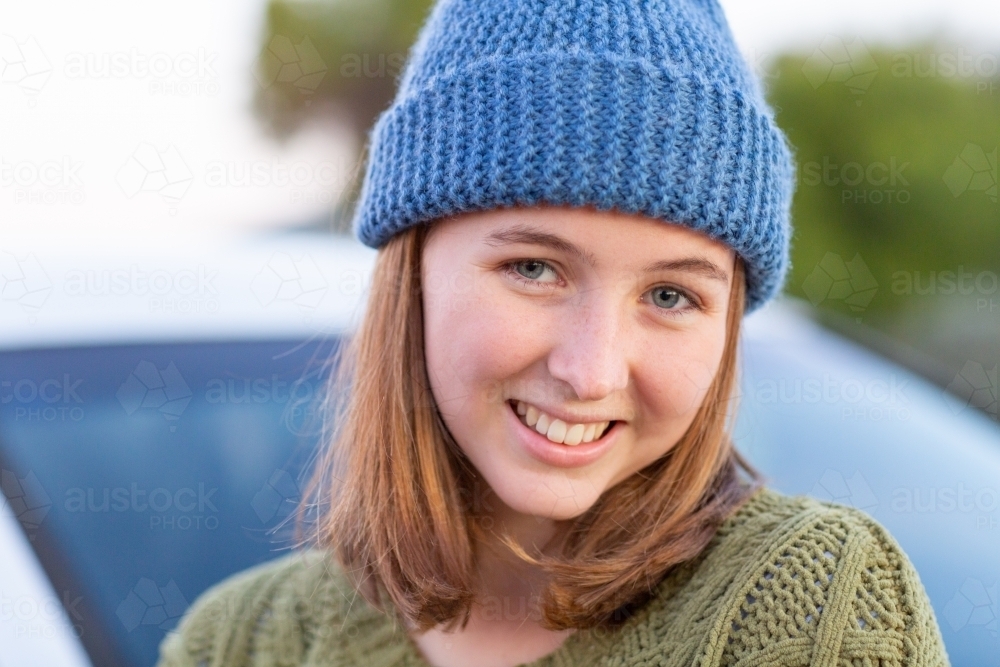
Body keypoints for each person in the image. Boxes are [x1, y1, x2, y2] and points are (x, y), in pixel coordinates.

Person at [157, 0, 951, 665]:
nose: (591, 369)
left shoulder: (809, 607)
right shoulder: (240, 642)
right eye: (535, 269)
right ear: (414, 272)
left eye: (671, 294)